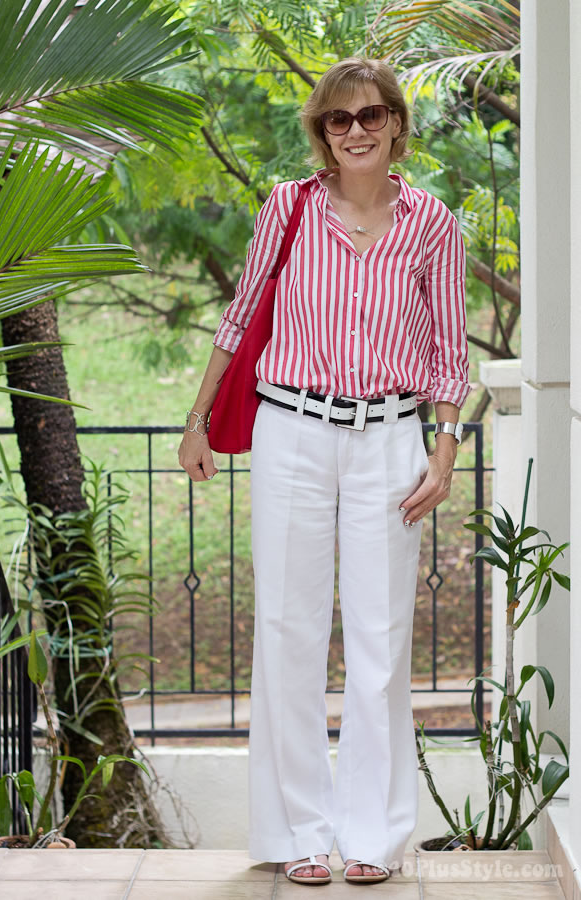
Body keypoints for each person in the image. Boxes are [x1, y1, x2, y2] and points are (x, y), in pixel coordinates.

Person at [178, 56, 470, 886]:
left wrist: (443, 452)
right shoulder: (290, 208)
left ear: (396, 124)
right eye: (338, 120)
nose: (356, 131)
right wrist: (198, 421)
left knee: (380, 644)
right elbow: (240, 317)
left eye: (371, 115)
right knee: (289, 630)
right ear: (321, 131)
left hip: (388, 440)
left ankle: (372, 835)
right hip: (291, 432)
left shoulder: (433, 225)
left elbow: (449, 355)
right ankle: (301, 830)